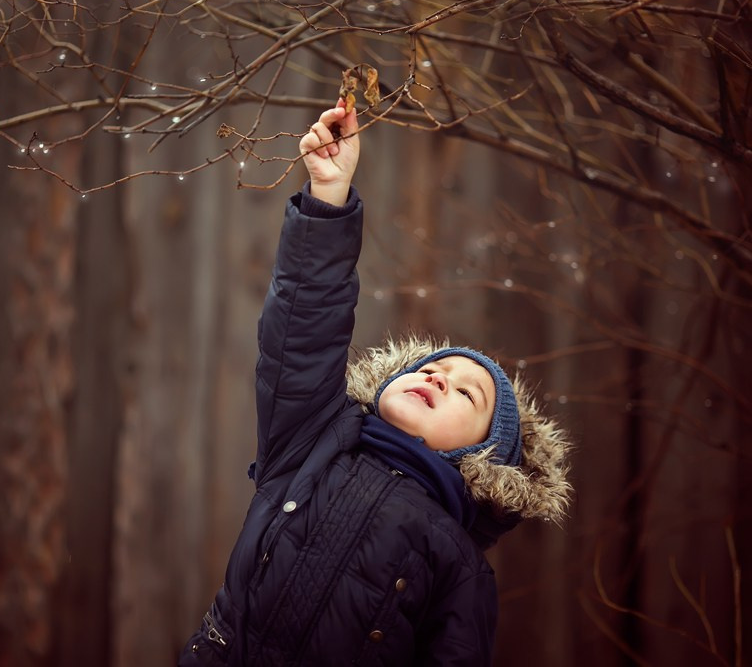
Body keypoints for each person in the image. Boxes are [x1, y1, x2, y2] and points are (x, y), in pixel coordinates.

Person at [179, 101, 571, 666]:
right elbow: (303, 327)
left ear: (485, 456)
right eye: (432, 367)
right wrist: (327, 197)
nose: (439, 376)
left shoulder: (459, 564)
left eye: (467, 393)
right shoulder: (315, 439)